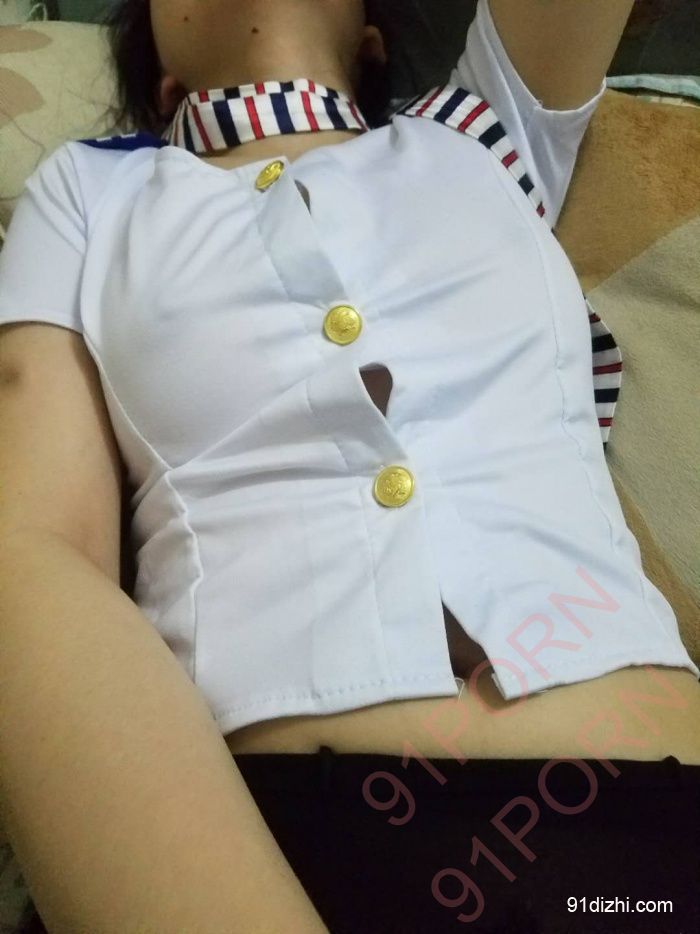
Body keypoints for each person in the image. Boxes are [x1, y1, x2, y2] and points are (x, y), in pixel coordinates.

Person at [1, 1, 698, 932]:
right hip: (264, 834)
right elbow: (34, 551)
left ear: (372, 42)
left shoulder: (483, 130)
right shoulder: (88, 189)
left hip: (653, 835)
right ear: (162, 77)